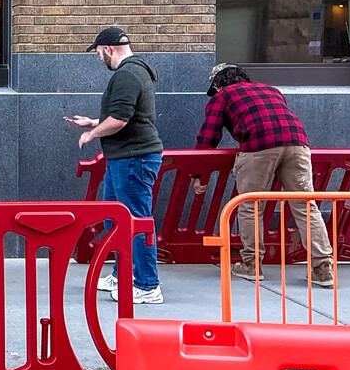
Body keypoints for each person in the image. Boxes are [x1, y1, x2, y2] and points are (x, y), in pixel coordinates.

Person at [191, 63, 334, 288]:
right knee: (306, 205)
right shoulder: (271, 90)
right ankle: (323, 266)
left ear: (217, 84)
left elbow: (209, 135)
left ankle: (251, 265)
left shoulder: (222, 96)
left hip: (258, 145)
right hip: (298, 144)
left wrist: (199, 173)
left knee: (250, 205)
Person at [63, 26, 164, 304]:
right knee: (116, 220)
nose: (99, 58)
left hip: (133, 158)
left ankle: (147, 285)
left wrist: (91, 134)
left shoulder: (127, 74)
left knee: (134, 221)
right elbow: (127, 115)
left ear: (108, 49)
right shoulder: (135, 71)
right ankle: (123, 275)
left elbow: (120, 120)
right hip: (125, 158)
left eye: (99, 53)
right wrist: (93, 122)